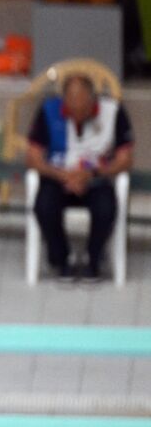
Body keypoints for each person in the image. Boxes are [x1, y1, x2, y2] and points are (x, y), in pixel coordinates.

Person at [26, 74, 134, 283]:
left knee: (106, 209)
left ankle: (93, 260)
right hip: (59, 177)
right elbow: (32, 158)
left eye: (82, 110)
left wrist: (92, 174)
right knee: (44, 206)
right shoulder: (49, 110)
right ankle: (61, 259)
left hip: (96, 178)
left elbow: (125, 160)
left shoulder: (113, 111)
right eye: (71, 109)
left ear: (92, 100)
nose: (76, 115)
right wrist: (62, 175)